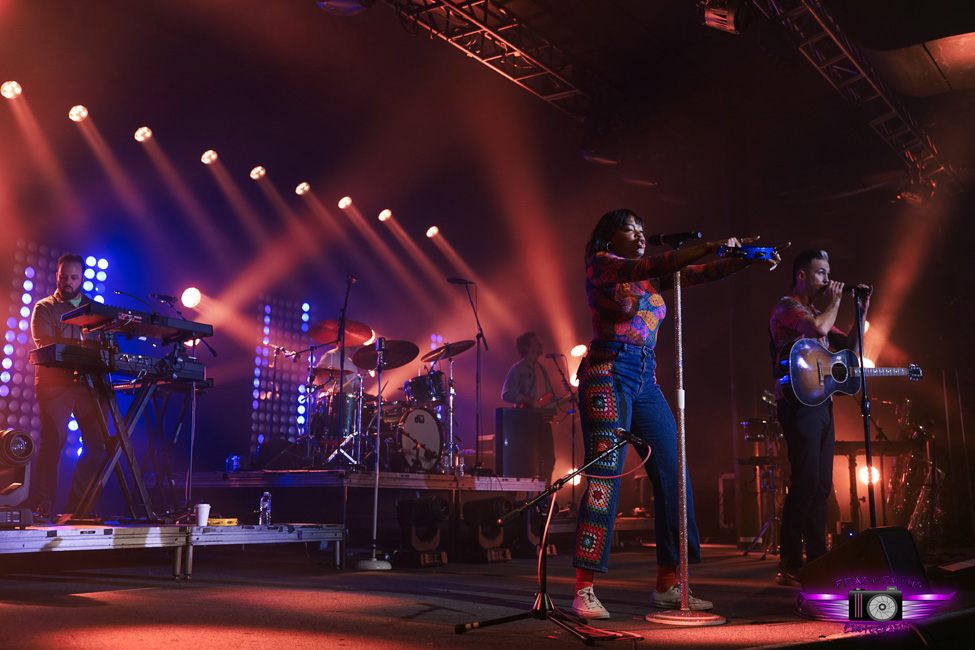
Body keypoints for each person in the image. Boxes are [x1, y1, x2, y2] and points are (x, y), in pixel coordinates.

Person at [571, 208, 780, 620]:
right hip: (607, 371)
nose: (640, 234)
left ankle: (668, 583)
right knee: (605, 475)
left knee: (674, 473)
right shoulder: (604, 266)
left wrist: (743, 260)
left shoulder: (647, 277)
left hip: (645, 377)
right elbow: (663, 262)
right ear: (609, 237)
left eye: (643, 228)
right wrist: (712, 245)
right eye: (630, 228)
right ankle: (584, 588)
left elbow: (697, 274)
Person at [768, 249, 871, 586]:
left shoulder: (817, 309)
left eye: (829, 274)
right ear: (802, 275)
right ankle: (789, 563)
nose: (828, 280)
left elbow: (849, 348)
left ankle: (816, 560)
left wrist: (862, 308)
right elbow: (816, 328)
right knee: (806, 483)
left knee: (823, 486)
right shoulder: (789, 307)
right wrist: (837, 300)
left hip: (821, 404)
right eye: (821, 273)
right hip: (798, 405)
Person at [30, 253, 108, 523]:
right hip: (54, 383)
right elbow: (46, 343)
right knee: (54, 442)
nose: (67, 282)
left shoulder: (96, 309)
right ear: (57, 276)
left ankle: (77, 506)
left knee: (97, 444)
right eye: (63, 276)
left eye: (73, 277)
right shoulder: (44, 307)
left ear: (82, 278)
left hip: (88, 384)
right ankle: (43, 505)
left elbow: (106, 347)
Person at [500, 331, 562, 482]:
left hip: (543, 421)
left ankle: (543, 497)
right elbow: (506, 394)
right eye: (536, 342)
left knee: (549, 459)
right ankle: (513, 501)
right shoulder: (518, 369)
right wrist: (527, 399)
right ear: (527, 347)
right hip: (524, 422)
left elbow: (546, 395)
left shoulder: (542, 369)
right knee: (522, 462)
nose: (540, 344)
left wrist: (557, 400)